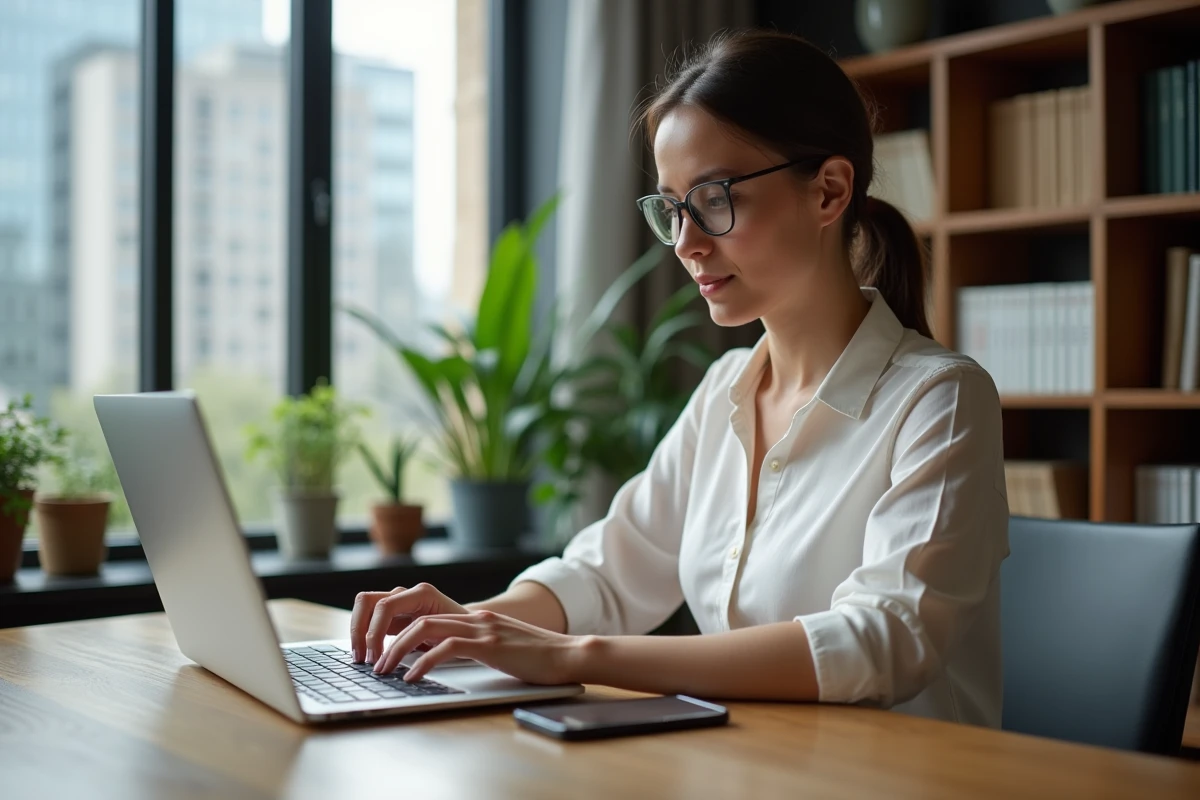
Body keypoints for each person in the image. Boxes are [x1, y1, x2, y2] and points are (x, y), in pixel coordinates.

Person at [350, 29, 1009, 728]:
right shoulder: (725, 389)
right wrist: (468, 627)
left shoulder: (939, 400)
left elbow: (885, 640)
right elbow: (606, 575)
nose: (689, 242)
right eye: (673, 207)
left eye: (716, 198)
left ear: (829, 191)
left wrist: (578, 657)